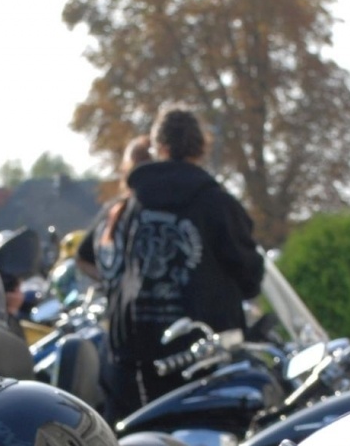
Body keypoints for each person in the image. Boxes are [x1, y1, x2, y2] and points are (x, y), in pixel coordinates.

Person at [102, 107, 265, 416]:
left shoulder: (133, 203)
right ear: (202, 146)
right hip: (203, 359)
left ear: (156, 146)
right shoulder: (218, 202)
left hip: (136, 360)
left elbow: (113, 269)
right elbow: (250, 276)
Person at [75, 134, 152, 282]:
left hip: (124, 303)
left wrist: (110, 284)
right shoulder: (117, 210)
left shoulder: (115, 209)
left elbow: (81, 259)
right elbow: (82, 258)